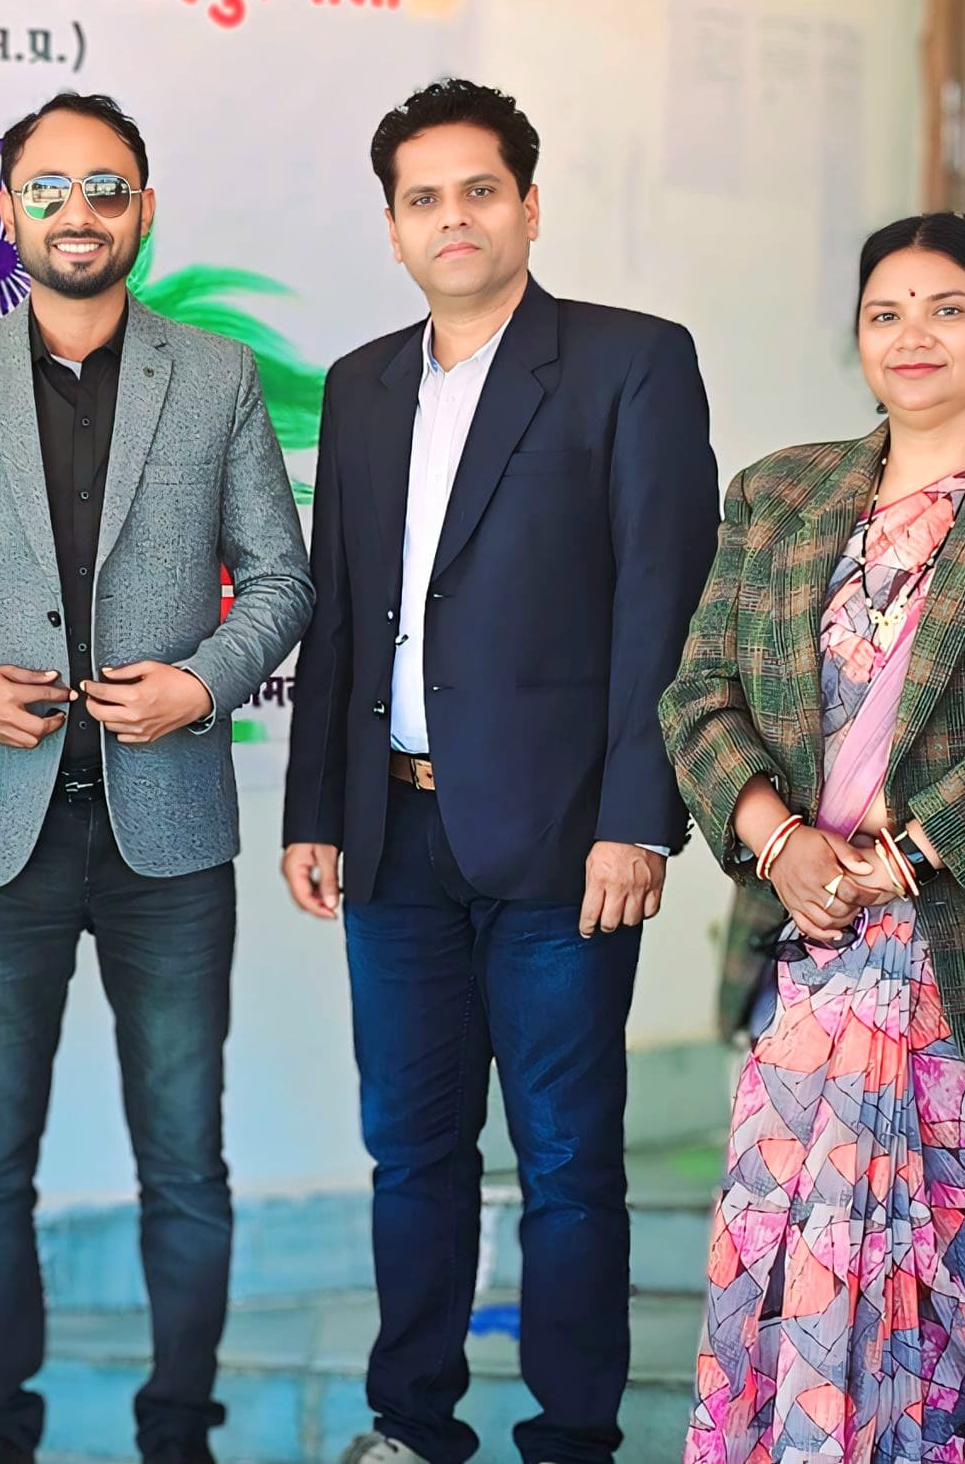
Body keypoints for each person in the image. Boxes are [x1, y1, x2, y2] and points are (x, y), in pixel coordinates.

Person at [281, 78, 718, 1464]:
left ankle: (572, 1436)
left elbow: (664, 603)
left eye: (480, 190)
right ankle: (411, 1424)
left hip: (565, 843)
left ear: (529, 205)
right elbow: (340, 612)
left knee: (569, 1163)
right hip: (392, 833)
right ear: (394, 227)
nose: (452, 217)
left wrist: (639, 817)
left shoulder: (630, 363)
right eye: (423, 198)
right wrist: (314, 806)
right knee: (411, 1154)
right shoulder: (359, 386)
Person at [0, 91, 313, 1464]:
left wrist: (203, 682)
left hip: (165, 832)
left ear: (144, 208)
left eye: (106, 187)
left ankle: (178, 1426)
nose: (79, 212)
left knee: (184, 1160)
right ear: (12, 210)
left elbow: (283, 576)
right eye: (51, 188)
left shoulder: (216, 374)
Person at [664, 213, 965, 1462]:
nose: (913, 335)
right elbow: (698, 693)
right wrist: (777, 839)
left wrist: (908, 856)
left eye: (947, 308)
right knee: (789, 1303)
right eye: (886, 312)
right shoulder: (780, 492)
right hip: (813, 967)